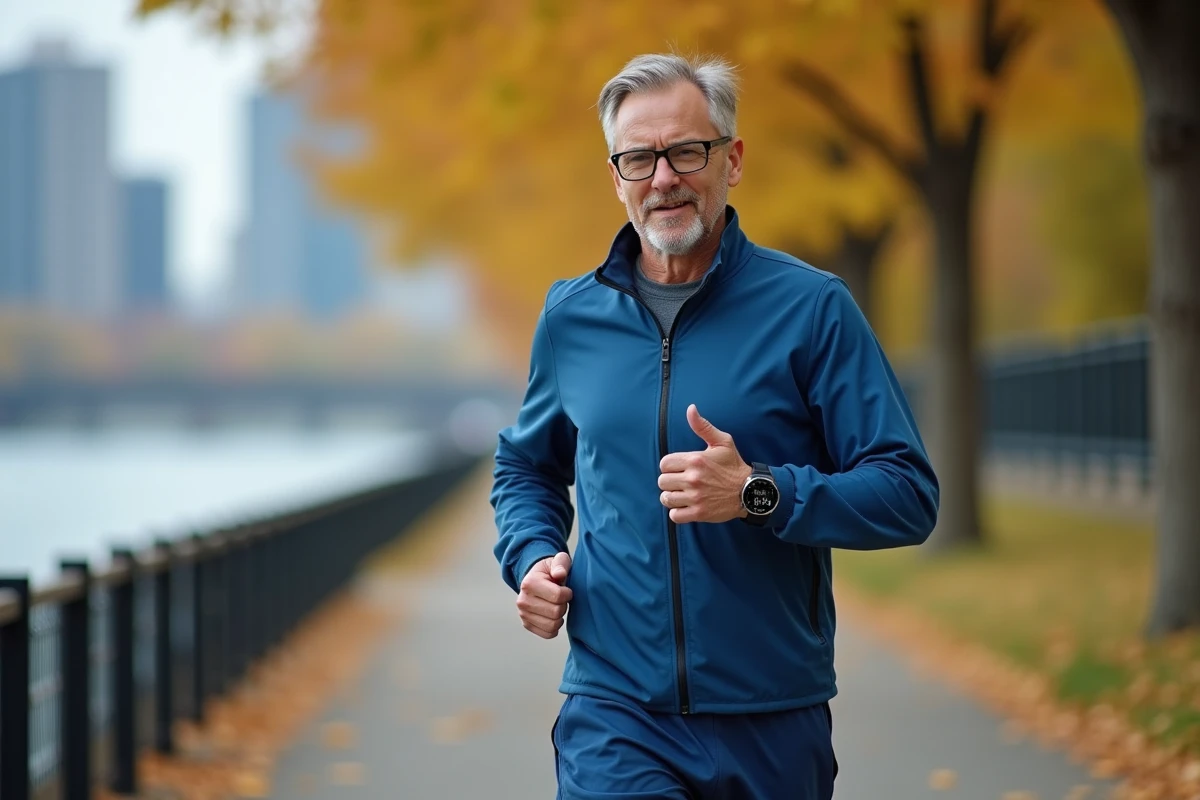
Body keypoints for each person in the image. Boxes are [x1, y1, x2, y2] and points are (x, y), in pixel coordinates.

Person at [490, 52, 939, 800]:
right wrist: (533, 556)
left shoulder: (813, 309)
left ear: (732, 160)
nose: (663, 177)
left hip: (772, 716)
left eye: (685, 151)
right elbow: (527, 468)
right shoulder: (571, 318)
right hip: (615, 710)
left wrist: (760, 492)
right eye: (639, 158)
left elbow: (906, 494)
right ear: (617, 177)